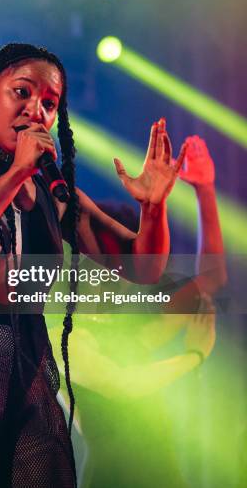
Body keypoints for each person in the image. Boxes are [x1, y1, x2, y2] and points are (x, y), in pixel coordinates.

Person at [0, 43, 186, 488]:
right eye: (21, 92)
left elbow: (142, 267)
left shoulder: (56, 196)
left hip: (28, 367)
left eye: (49, 104)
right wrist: (17, 174)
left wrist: (155, 207)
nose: (36, 110)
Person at [47, 135, 225, 487]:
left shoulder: (131, 326)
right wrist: (194, 355)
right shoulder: (62, 335)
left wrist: (204, 190)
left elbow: (210, 280)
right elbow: (122, 385)